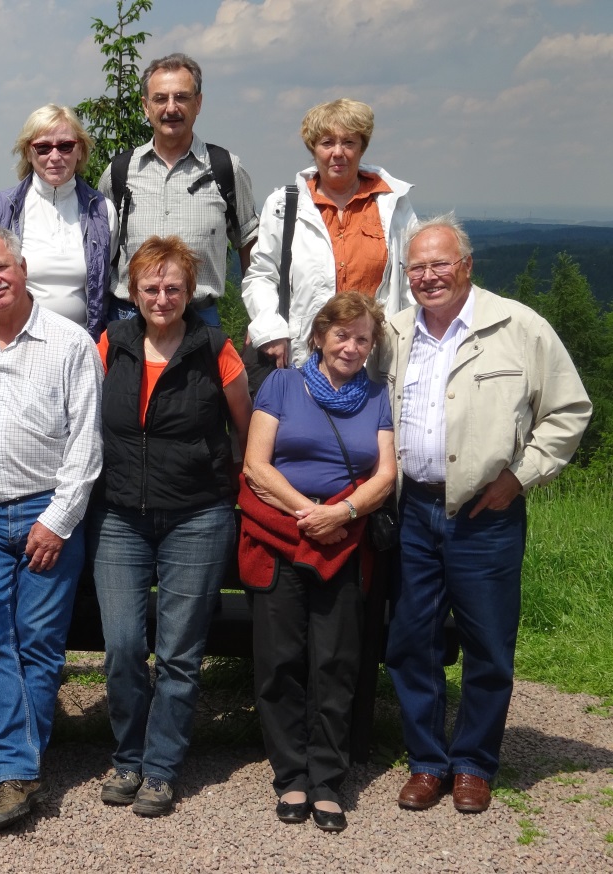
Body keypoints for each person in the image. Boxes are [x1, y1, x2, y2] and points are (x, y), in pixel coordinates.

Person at [369, 215, 591, 815]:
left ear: (467, 266)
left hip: (485, 512)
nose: (427, 277)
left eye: (439, 264)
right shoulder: (392, 332)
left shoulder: (518, 326)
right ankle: (426, 761)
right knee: (410, 641)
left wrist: (520, 477)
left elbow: (569, 411)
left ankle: (472, 763)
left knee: (488, 646)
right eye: (416, 267)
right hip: (412, 509)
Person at [0, 225, 102, 833]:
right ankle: (14, 772)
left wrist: (57, 521)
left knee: (36, 643)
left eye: (0, 267)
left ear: (23, 266)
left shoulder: (69, 342)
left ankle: (4, 772)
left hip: (47, 511)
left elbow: (86, 444)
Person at [91, 235, 252, 817]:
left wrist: (228, 485)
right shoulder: (112, 342)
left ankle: (159, 767)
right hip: (118, 515)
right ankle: (127, 756)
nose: (162, 297)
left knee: (179, 651)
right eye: (150, 288)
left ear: (192, 292)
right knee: (125, 646)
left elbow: (246, 428)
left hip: (197, 516)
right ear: (132, 293)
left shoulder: (216, 348)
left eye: (174, 287)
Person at [240, 293, 396, 833]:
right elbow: (257, 466)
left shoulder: (378, 397)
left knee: (336, 660)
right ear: (319, 337)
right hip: (282, 534)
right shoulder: (282, 384)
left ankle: (327, 778)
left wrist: (344, 513)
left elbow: (386, 474)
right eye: (342, 335)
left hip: (345, 542)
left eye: (362, 338)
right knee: (280, 660)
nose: (351, 346)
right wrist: (312, 512)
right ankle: (291, 775)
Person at [242, 98, 417, 369]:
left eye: (348, 142)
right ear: (313, 149)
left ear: (362, 148)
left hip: (376, 360)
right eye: (327, 143)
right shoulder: (283, 205)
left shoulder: (393, 205)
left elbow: (411, 283)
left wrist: (412, 344)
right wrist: (270, 329)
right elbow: (262, 275)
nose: (338, 152)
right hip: (304, 358)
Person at [99, 53, 259, 325]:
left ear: (198, 103)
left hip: (200, 320)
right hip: (129, 321)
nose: (171, 108)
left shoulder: (226, 169)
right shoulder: (119, 172)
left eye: (182, 97)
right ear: (146, 106)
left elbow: (250, 246)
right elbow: (100, 253)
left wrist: (259, 321)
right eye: (160, 98)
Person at [0, 104, 116, 339]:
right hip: (16, 343)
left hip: (82, 345)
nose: (55, 156)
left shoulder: (102, 211)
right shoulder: (4, 209)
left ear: (80, 150)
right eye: (43, 148)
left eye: (65, 146)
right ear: (28, 153)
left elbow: (109, 285)